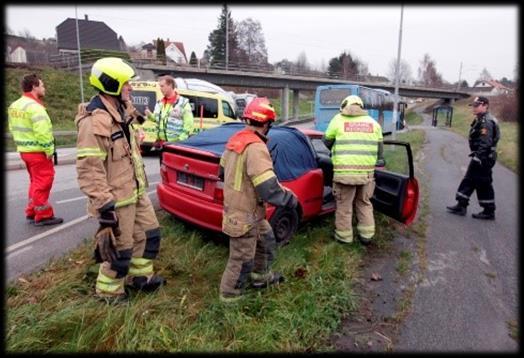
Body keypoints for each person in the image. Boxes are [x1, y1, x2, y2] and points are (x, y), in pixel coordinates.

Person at [75, 57, 165, 301]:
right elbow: (89, 169)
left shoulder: (122, 112)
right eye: (127, 84)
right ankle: (109, 292)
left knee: (150, 235)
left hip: (135, 192)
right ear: (111, 84)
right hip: (117, 200)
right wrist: (104, 207)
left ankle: (140, 278)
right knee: (120, 250)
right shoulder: (94, 121)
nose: (131, 88)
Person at [219, 97, 298, 302]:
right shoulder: (256, 147)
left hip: (250, 212)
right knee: (241, 259)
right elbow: (268, 188)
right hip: (243, 215)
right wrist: (290, 200)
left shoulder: (235, 140)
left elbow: (221, 171)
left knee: (266, 241)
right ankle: (230, 296)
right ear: (266, 123)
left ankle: (260, 277)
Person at [322, 95, 384, 245]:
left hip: (344, 174)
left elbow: (326, 141)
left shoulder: (338, 119)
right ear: (361, 106)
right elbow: (380, 153)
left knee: (344, 205)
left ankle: (344, 237)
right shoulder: (373, 124)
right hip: (366, 175)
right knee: (364, 203)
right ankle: (366, 236)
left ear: (344, 105)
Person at [7, 74, 63, 226]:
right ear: (34, 87)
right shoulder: (35, 108)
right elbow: (42, 133)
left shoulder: (15, 105)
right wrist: (49, 150)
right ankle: (43, 214)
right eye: (42, 85)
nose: (44, 88)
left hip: (25, 150)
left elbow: (13, 128)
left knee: (35, 181)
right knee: (44, 181)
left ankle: (32, 210)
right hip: (38, 152)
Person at [446, 96, 500, 220]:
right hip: (482, 156)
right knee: (474, 181)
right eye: (473, 105)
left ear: (485, 105)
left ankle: (487, 211)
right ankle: (463, 205)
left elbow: (485, 142)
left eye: (477, 105)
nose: (474, 108)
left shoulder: (486, 121)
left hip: (483, 157)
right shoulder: (481, 119)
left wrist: (479, 157)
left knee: (479, 182)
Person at [144, 75, 194, 148]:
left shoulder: (183, 103)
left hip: (176, 145)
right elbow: (157, 119)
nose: (160, 89)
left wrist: (180, 140)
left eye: (162, 86)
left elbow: (189, 123)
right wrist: (150, 115)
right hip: (162, 144)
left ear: (170, 85)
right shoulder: (160, 103)